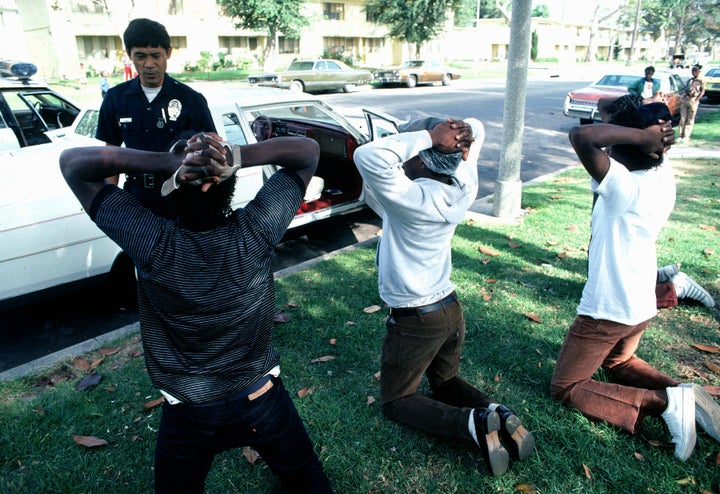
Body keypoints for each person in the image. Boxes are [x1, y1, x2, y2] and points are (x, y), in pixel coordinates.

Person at [59, 133, 334, 493]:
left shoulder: (150, 240)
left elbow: (73, 165)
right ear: (228, 181)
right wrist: (233, 154)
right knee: (305, 475)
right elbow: (307, 152)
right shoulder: (257, 229)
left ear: (173, 187)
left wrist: (166, 160)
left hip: (190, 412)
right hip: (261, 398)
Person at [354, 117, 535, 477]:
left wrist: (430, 136)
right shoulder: (462, 184)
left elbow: (367, 156)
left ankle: (474, 425)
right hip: (450, 309)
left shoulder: (410, 198)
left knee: (397, 400)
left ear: (421, 158)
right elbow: (478, 130)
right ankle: (496, 413)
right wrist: (457, 136)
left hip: (416, 317)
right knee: (446, 382)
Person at [550, 98, 720, 463]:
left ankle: (666, 402)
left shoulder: (623, 187)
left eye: (615, 145)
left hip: (609, 307)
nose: (608, 148)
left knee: (566, 386)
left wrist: (640, 135)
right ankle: (689, 395)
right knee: (619, 363)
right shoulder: (662, 171)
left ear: (633, 146)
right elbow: (607, 106)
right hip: (640, 302)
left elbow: (581, 135)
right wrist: (646, 134)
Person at [96, 17, 216, 217]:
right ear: (129, 55)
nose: (149, 64)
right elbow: (112, 156)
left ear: (168, 53)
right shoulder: (115, 99)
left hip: (182, 199)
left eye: (156, 55)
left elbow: (210, 152)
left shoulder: (191, 100)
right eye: (140, 56)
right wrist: (110, 201)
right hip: (135, 201)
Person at [678, 65, 705, 143]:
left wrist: (697, 99)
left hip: (693, 99)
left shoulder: (701, 80)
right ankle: (680, 135)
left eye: (695, 71)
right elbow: (686, 89)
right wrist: (682, 96)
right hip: (686, 99)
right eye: (692, 71)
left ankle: (686, 136)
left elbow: (702, 91)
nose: (693, 73)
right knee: (683, 118)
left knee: (690, 119)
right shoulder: (690, 80)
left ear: (699, 72)